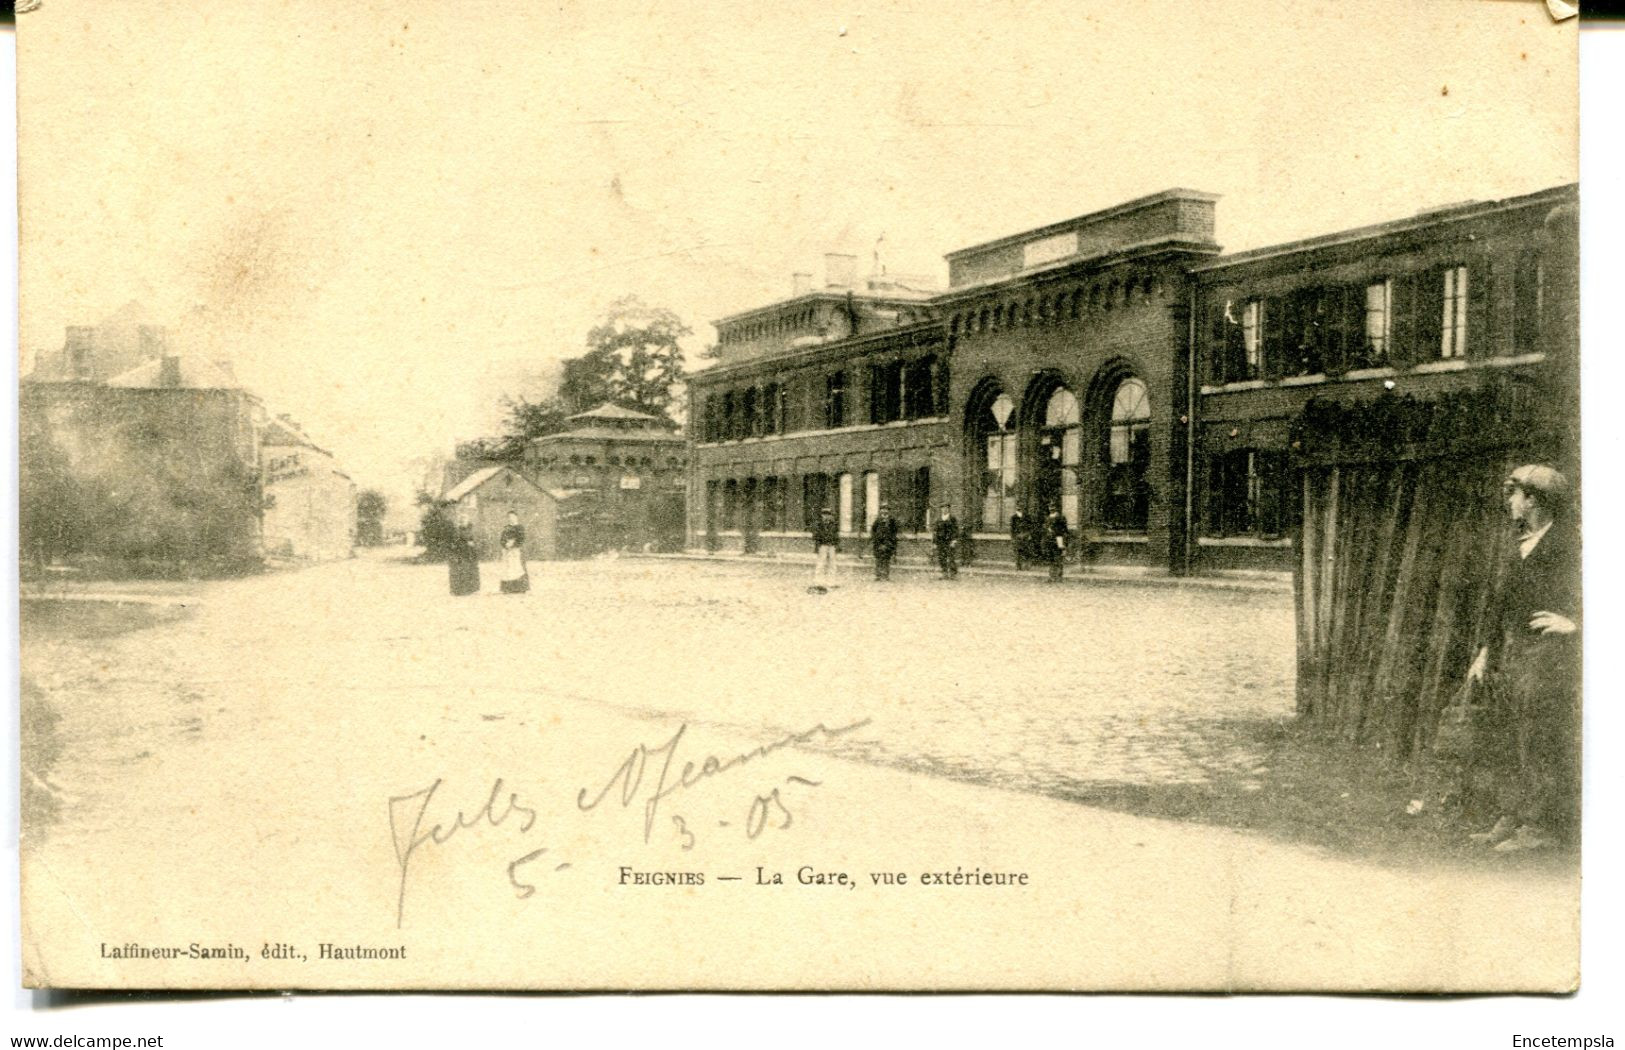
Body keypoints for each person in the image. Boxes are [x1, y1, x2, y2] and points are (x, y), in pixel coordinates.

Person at [1463, 464, 1580, 853]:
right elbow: (1501, 603)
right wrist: (1486, 651)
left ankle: (1540, 825)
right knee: (1510, 734)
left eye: (1515, 494)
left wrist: (1576, 624)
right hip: (1514, 652)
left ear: (1533, 501)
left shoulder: (1570, 546)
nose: (1510, 501)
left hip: (1549, 656)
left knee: (1538, 736)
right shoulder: (1521, 542)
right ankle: (1512, 816)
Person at [447, 514, 481, 596]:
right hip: (461, 554)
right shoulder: (457, 531)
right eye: (461, 520)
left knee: (472, 571)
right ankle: (460, 590)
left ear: (468, 521)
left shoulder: (473, 530)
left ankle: (473, 589)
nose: (463, 521)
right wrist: (465, 544)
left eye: (465, 520)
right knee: (461, 571)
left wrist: (474, 544)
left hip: (471, 554)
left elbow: (477, 540)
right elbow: (454, 543)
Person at [498, 510, 529, 594]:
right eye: (509, 517)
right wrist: (505, 544)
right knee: (508, 569)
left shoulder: (520, 527)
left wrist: (513, 544)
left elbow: (521, 539)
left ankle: (520, 588)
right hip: (507, 551)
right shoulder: (506, 528)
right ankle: (508, 588)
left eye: (512, 517)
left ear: (516, 517)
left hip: (516, 551)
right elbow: (502, 539)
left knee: (518, 568)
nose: (511, 518)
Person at [870, 502, 900, 581]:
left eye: (886, 509)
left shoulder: (892, 520)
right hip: (878, 543)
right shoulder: (878, 520)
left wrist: (891, 540)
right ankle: (878, 575)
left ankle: (886, 575)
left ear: (888, 511)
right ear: (880, 511)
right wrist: (875, 538)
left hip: (888, 543)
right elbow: (873, 530)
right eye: (882, 509)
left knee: (886, 559)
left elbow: (895, 531)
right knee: (878, 559)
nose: (884, 511)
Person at [811, 507, 840, 587]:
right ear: (822, 515)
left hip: (832, 545)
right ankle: (818, 582)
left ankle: (831, 582)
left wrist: (837, 545)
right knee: (821, 563)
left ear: (831, 515)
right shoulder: (819, 524)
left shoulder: (834, 524)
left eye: (828, 514)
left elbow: (836, 535)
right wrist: (818, 544)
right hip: (822, 545)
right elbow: (815, 535)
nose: (826, 516)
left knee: (832, 564)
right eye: (824, 514)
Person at [1043, 504, 1070, 582]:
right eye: (1050, 507)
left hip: (1058, 539)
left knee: (1058, 558)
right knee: (1051, 559)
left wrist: (1064, 542)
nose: (1051, 508)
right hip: (1049, 540)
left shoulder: (1061, 518)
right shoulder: (1047, 518)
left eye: (1053, 507)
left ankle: (1059, 576)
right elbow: (1045, 530)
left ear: (1056, 508)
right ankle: (1051, 576)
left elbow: (1065, 530)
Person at [933, 504, 960, 579]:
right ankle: (944, 573)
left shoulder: (952, 518)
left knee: (951, 557)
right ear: (941, 509)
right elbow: (935, 531)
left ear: (948, 509)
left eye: (946, 508)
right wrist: (934, 542)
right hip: (940, 541)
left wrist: (954, 540)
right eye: (943, 508)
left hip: (949, 541)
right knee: (942, 558)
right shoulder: (938, 519)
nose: (944, 510)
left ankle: (953, 574)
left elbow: (955, 530)